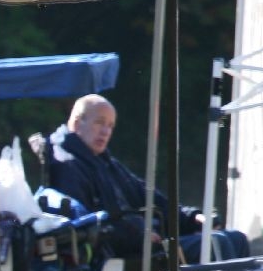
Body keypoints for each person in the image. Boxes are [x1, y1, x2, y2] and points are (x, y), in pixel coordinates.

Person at [42, 95, 249, 262]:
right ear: (77, 122)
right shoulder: (66, 164)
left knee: (237, 239)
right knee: (218, 244)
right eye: (99, 123)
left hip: (147, 240)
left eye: (111, 126)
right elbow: (85, 226)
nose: (106, 131)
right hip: (120, 252)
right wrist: (139, 236)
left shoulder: (105, 162)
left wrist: (192, 218)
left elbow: (150, 197)